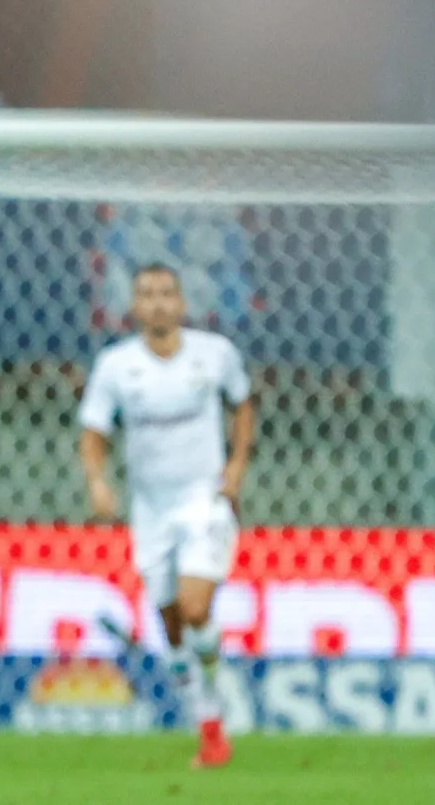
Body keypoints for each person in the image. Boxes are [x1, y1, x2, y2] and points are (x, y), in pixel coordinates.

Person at [78, 263, 257, 768]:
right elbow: (94, 430)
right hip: (150, 508)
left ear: (181, 303)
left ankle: (212, 688)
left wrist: (237, 465)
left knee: (195, 606)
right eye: (147, 295)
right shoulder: (116, 366)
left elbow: (242, 405)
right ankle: (211, 727)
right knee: (172, 624)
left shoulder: (215, 354)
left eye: (166, 294)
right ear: (134, 307)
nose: (157, 303)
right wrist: (98, 480)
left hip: (203, 498)